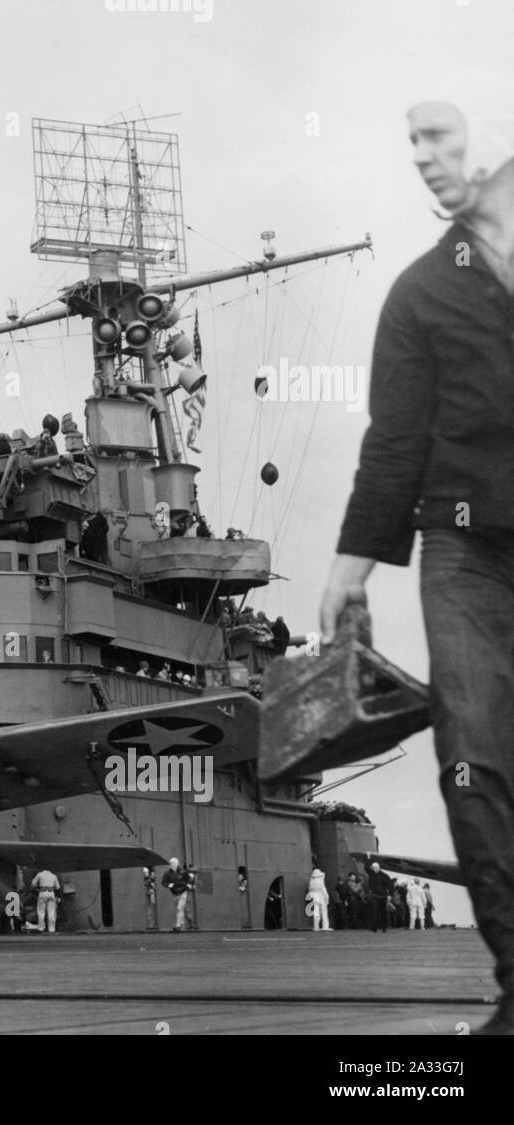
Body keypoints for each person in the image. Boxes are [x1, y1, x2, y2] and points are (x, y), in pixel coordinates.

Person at [318, 74, 514, 1033]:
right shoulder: (419, 294)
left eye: (438, 134)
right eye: (413, 144)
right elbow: (394, 439)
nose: (425, 156)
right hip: (466, 552)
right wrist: (352, 564)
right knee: (473, 753)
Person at [161, 858, 191, 932]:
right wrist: (168, 885)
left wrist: (188, 885)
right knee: (181, 910)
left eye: (173, 863)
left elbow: (189, 880)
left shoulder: (183, 872)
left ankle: (178, 925)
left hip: (183, 892)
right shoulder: (167, 873)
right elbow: (163, 882)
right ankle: (183, 926)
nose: (172, 865)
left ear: (177, 864)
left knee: (179, 908)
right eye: (171, 863)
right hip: (174, 894)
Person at [365, 862, 393, 933]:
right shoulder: (371, 874)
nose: (374, 869)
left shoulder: (385, 875)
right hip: (375, 896)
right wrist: (368, 859)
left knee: (383, 913)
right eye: (373, 868)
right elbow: (366, 868)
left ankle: (384, 928)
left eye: (375, 868)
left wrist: (390, 895)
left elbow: (390, 886)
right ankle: (374, 928)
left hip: (383, 897)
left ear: (378, 867)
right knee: (374, 913)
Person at [31, 869, 61, 933]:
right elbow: (58, 888)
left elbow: (33, 884)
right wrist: (58, 896)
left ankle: (41, 928)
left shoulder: (40, 874)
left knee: (41, 912)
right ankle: (51, 929)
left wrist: (36, 888)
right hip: (51, 893)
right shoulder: (54, 876)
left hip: (42, 893)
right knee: (51, 912)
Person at [143, 867, 158, 931]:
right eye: (145, 872)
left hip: (151, 896)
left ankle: (152, 924)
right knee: (148, 910)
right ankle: (150, 924)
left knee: (152, 908)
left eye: (147, 872)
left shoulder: (151, 879)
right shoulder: (146, 880)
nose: (146, 873)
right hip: (147, 897)